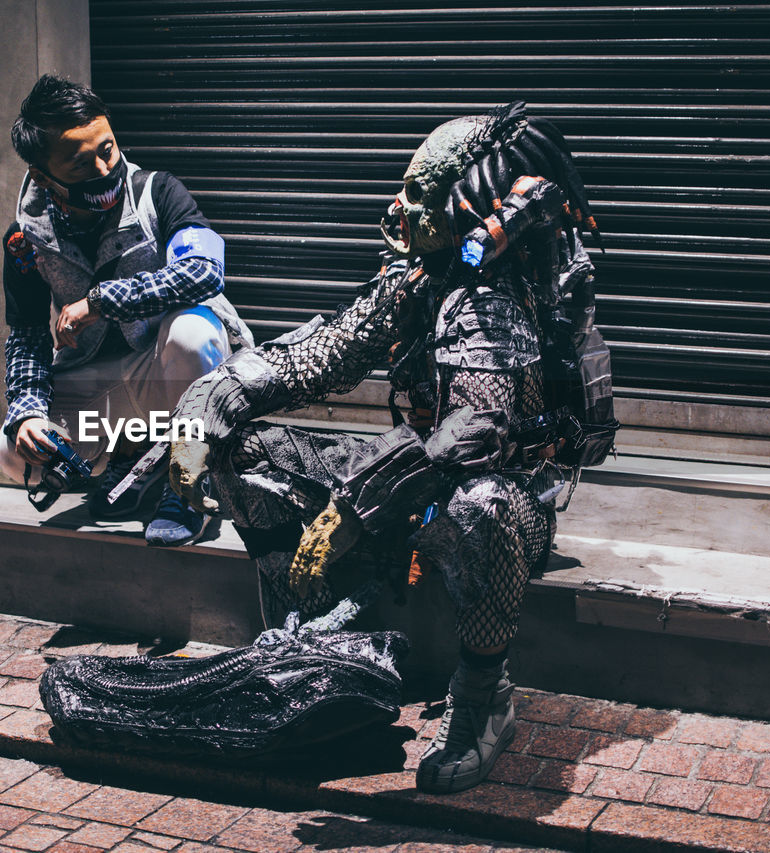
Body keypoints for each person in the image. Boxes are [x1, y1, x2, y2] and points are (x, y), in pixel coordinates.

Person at [165, 103, 615, 792]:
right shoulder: (420, 278)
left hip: (505, 505)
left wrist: (355, 506)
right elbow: (324, 353)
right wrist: (211, 404)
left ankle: (484, 690)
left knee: (482, 504)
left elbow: (472, 439)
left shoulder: (493, 300)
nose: (398, 206)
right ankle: (323, 641)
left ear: (457, 207)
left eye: (417, 194)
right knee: (248, 450)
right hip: (411, 481)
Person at [0, 74, 252, 546]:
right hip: (105, 386)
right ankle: (131, 454)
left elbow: (203, 272)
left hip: (173, 372)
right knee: (14, 452)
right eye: (80, 162)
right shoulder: (24, 241)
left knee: (192, 334)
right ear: (42, 175)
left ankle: (190, 483)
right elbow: (27, 337)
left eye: (107, 149)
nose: (103, 166)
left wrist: (100, 301)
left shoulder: (159, 192)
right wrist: (28, 413)